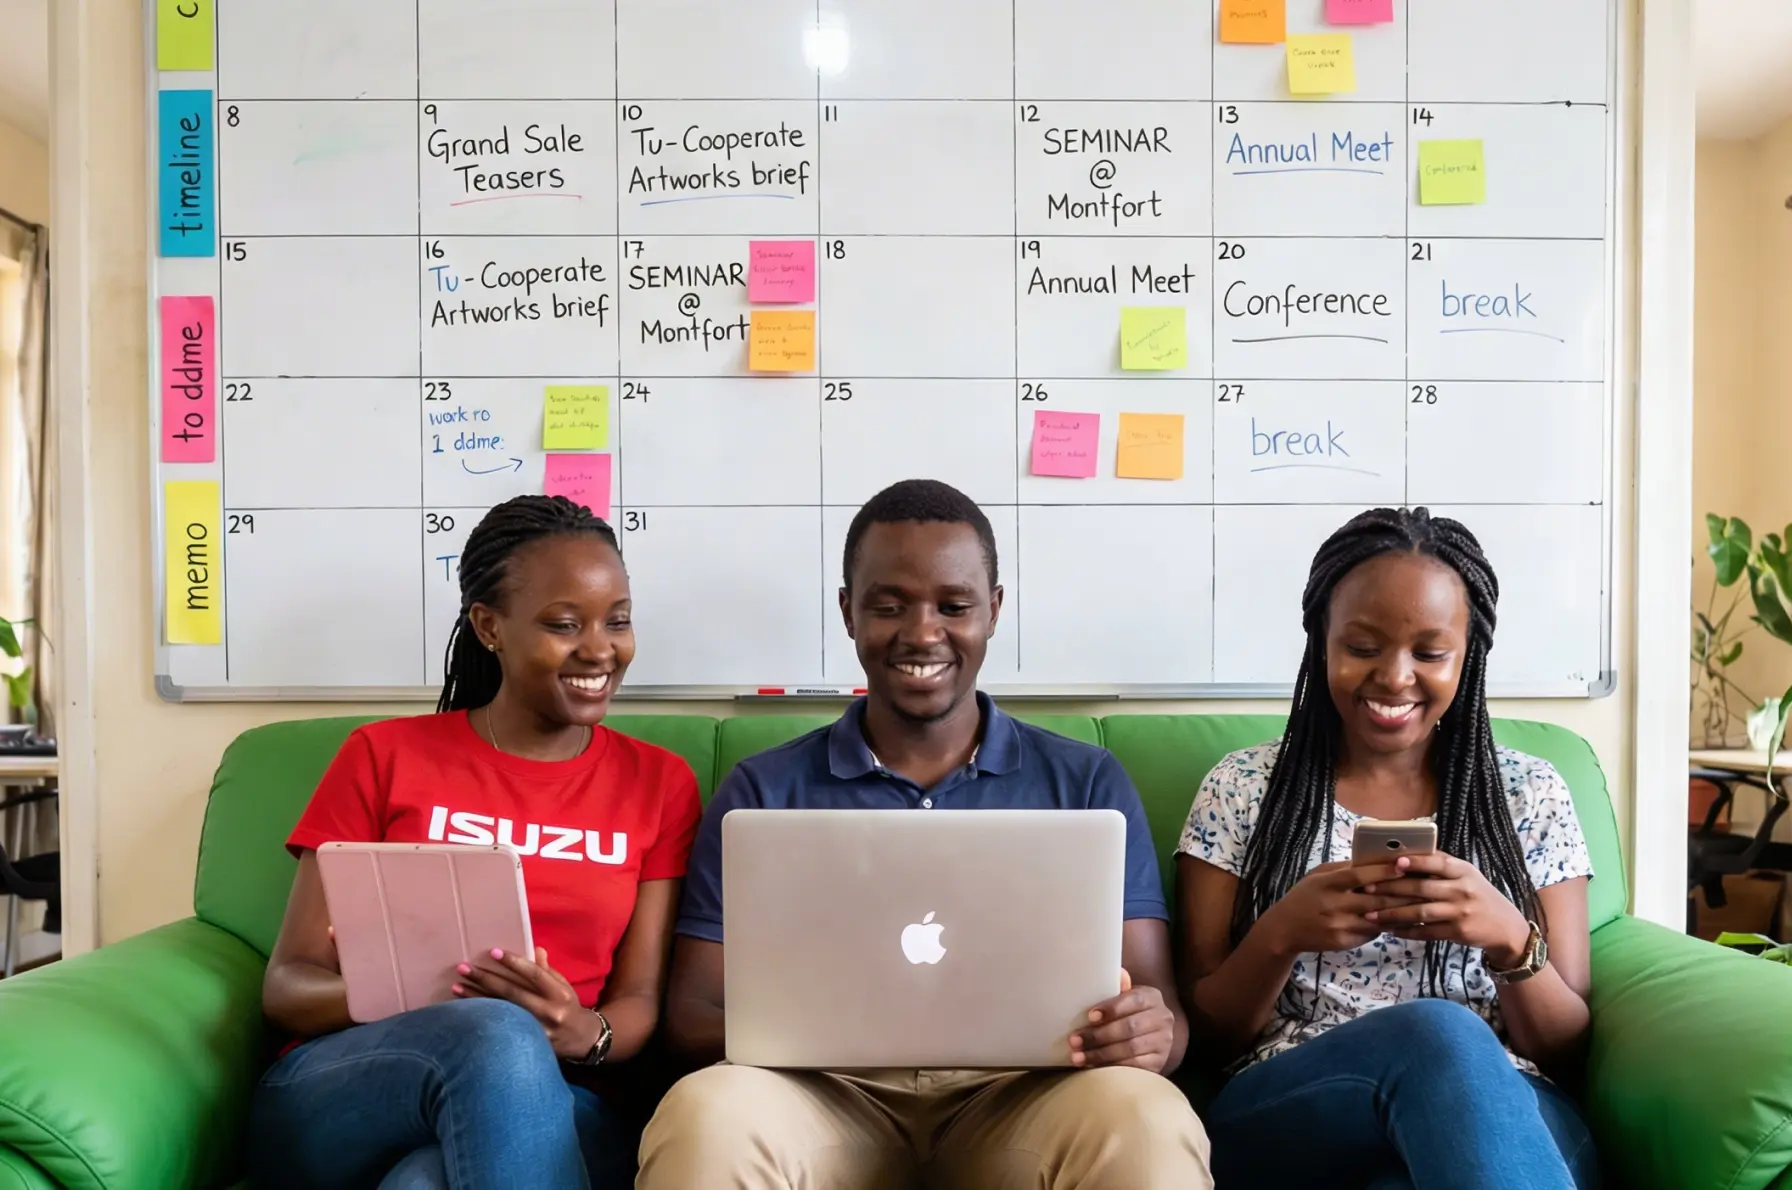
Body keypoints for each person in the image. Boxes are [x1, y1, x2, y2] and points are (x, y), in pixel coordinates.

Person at [635, 478, 1212, 1190]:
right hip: (818, 1096)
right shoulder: (762, 791)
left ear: (994, 611)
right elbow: (691, 1014)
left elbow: (1163, 1012)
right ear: (848, 613)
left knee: (1149, 1118)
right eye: (889, 605)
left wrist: (1151, 1033)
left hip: (1025, 1098)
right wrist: (812, 1026)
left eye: (954, 605)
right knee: (705, 1115)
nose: (922, 632)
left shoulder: (1087, 784)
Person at [245, 495, 702, 1190]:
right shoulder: (383, 756)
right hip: (350, 1086)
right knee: (493, 1032)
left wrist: (584, 1031)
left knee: (423, 1184)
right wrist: (436, 1000)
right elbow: (288, 986)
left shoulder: (657, 783)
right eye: (563, 624)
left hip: (565, 1096)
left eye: (618, 620)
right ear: (489, 626)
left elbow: (639, 998)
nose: (599, 649)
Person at [1175, 506, 1600, 1190]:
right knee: (1438, 1034)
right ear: (1322, 642)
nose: (1395, 678)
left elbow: (1564, 1046)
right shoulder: (1243, 788)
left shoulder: (1531, 794)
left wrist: (1506, 938)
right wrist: (1280, 934)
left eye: (1429, 653)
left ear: (1469, 656)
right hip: (1293, 1102)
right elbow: (1206, 1037)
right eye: (1363, 647)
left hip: (1508, 1105)